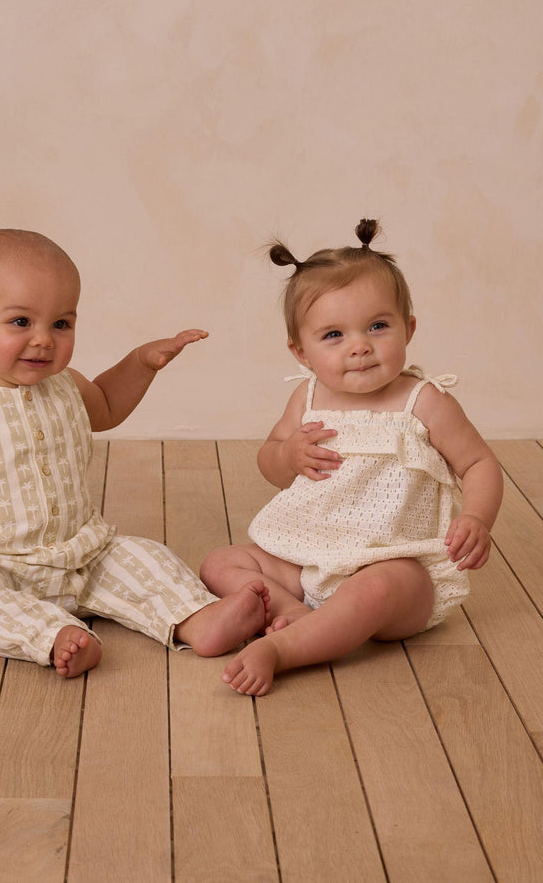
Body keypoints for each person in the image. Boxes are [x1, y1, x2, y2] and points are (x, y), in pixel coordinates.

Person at [0, 229, 269, 679]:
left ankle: (198, 620)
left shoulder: (66, 384)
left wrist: (141, 364)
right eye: (21, 322)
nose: (44, 339)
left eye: (61, 324)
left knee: (146, 558)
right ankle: (54, 636)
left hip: (85, 554)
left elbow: (105, 406)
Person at [200, 219, 503, 696]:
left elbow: (480, 463)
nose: (360, 346)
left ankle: (284, 649)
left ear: (410, 328)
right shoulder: (308, 398)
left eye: (378, 326)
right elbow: (270, 459)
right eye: (334, 335)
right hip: (308, 557)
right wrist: (289, 456)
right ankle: (294, 613)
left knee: (377, 589)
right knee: (221, 562)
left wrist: (478, 517)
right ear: (300, 352)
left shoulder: (423, 402)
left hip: (394, 565)